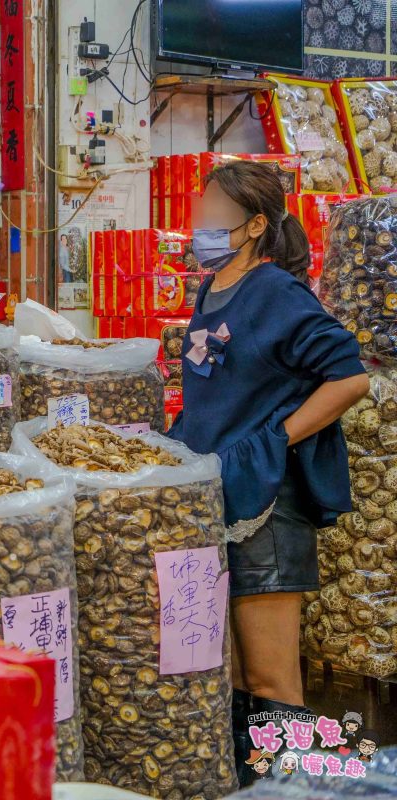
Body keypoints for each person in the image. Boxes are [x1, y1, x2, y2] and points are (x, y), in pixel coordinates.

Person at [166, 161, 370, 789]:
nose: (200, 219)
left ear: (254, 225)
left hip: (267, 509)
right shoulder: (211, 288)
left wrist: (274, 440)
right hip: (214, 499)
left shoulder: (276, 292)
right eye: (200, 205)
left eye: (213, 209)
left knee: (272, 679)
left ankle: (302, 789)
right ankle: (249, 786)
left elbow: (349, 374)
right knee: (225, 672)